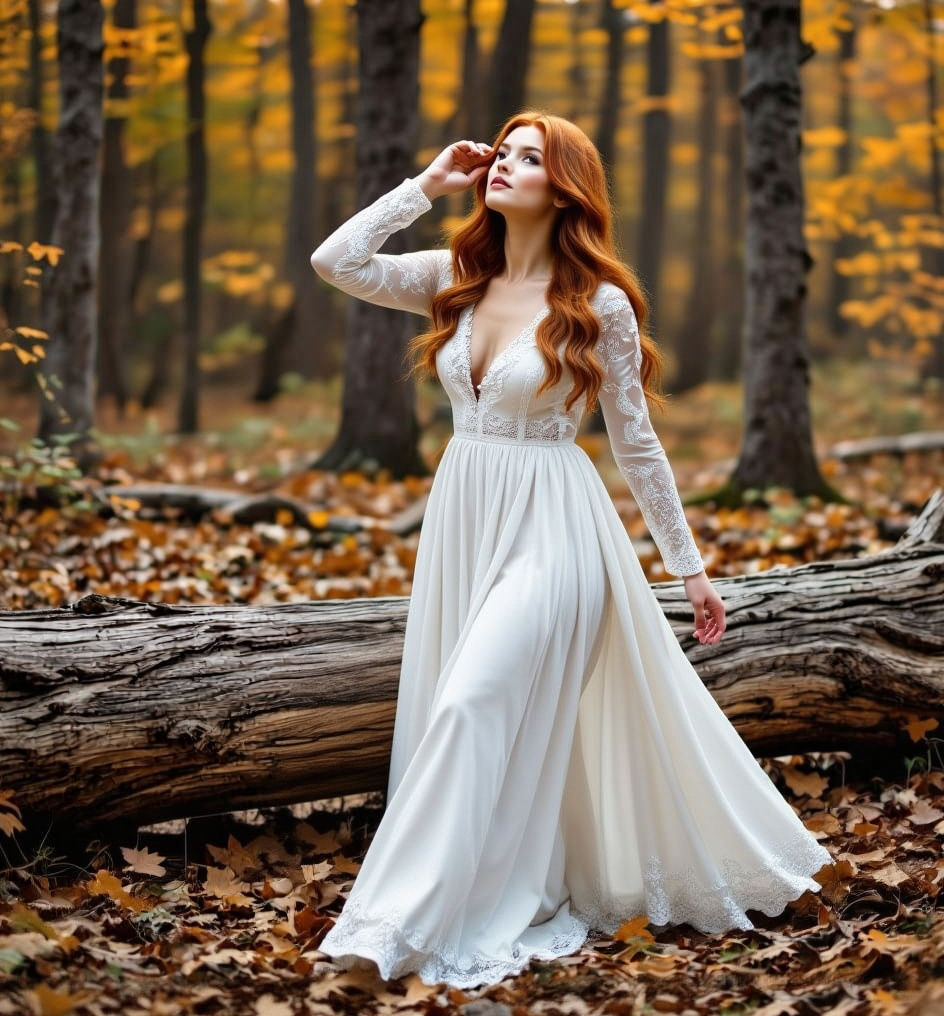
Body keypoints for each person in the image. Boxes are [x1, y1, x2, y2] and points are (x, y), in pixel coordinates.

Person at [308, 111, 833, 990]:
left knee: (473, 702)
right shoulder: (454, 277)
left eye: (529, 158)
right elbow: (338, 263)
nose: (505, 167)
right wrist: (426, 186)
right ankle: (474, 890)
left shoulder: (600, 303)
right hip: (464, 518)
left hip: (555, 528)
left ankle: (394, 925)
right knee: (461, 708)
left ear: (566, 187)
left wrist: (689, 567)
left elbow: (636, 442)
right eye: (502, 155)